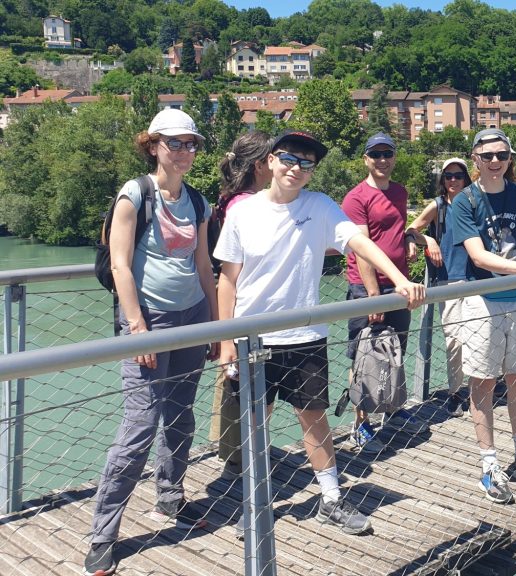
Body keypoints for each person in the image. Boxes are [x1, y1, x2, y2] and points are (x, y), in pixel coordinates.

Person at [215, 130, 426, 537]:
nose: (297, 168)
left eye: (307, 163)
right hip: (253, 340)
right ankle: (255, 504)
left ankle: (331, 500)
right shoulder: (242, 212)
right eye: (290, 159)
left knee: (315, 421)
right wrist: (226, 343)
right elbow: (228, 281)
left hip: (304, 337)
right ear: (271, 161)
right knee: (255, 425)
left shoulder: (321, 206)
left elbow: (359, 243)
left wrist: (399, 279)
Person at [85, 109, 219, 576]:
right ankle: (103, 534)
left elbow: (205, 267)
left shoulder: (198, 202)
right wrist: (137, 326)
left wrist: (216, 327)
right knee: (140, 426)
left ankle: (170, 498)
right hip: (149, 321)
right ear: (154, 145)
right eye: (176, 143)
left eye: (191, 144)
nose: (185, 152)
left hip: (192, 317)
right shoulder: (134, 195)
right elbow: (121, 265)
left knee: (182, 416)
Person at [449, 128, 516, 504]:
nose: (494, 161)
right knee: (482, 382)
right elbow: (478, 257)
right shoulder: (465, 201)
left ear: (510, 158)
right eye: (487, 155)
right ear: (475, 159)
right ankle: (489, 463)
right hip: (483, 300)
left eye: (501, 155)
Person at [343, 132, 428, 454]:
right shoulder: (356, 197)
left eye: (387, 153)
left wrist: (411, 238)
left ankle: (391, 413)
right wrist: (373, 294)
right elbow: (361, 249)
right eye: (375, 154)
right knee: (362, 354)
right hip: (367, 288)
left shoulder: (399, 192)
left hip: (400, 284)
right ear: (366, 158)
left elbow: (398, 227)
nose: (382, 160)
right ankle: (360, 423)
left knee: (395, 351)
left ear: (394, 157)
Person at [210, 131, 274, 480]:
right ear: (260, 164)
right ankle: (243, 460)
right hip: (245, 306)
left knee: (241, 387)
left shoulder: (231, 200)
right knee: (247, 389)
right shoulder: (245, 205)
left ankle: (241, 455)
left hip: (239, 305)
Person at [406, 158, 472, 417]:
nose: (453, 180)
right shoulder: (438, 205)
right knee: (455, 340)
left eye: (458, 175)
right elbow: (411, 228)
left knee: (480, 336)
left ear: (466, 177)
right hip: (449, 280)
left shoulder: (474, 202)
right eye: (448, 176)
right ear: (442, 181)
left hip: (478, 278)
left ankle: (478, 389)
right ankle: (456, 393)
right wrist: (427, 240)